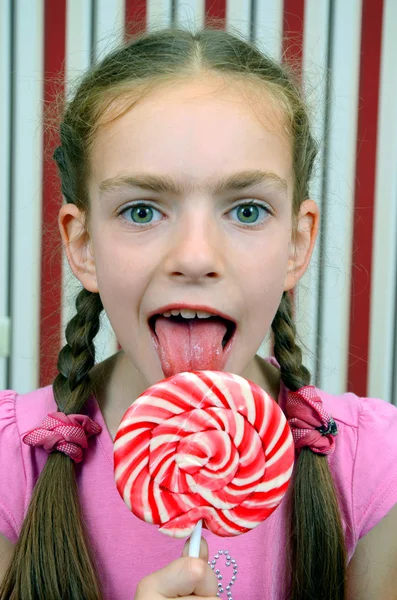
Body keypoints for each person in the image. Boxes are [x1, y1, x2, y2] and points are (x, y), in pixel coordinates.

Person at [1, 23, 397, 600]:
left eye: (246, 210)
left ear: (297, 242)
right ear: (82, 244)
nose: (194, 256)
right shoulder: (14, 470)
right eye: (141, 211)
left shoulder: (372, 470)